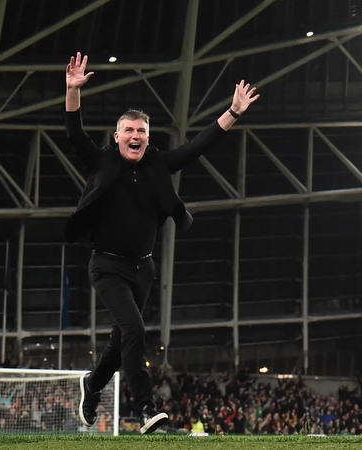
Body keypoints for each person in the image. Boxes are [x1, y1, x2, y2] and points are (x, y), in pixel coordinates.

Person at [64, 52, 259, 434]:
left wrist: (233, 112)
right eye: (129, 131)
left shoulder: (157, 164)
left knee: (122, 341)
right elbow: (74, 134)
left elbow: (196, 147)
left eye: (141, 132)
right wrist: (72, 92)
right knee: (135, 332)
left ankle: (93, 383)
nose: (135, 137)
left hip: (143, 269)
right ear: (116, 136)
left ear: (147, 137)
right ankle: (148, 410)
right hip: (106, 265)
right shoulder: (101, 162)